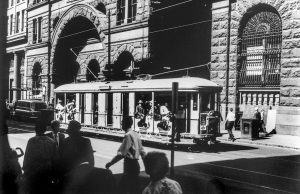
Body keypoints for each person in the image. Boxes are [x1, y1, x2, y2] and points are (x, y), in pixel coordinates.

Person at [105, 116, 146, 194]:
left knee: (123, 189)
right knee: (133, 188)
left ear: (125, 124)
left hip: (129, 165)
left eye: (122, 123)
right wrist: (147, 166)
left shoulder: (127, 135)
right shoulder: (135, 134)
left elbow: (122, 154)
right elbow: (142, 152)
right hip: (136, 166)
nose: (121, 124)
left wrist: (110, 163)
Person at [22, 121, 57, 194]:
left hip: (34, 172)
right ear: (45, 130)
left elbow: (27, 157)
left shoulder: (32, 141)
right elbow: (55, 159)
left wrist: (25, 170)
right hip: (47, 171)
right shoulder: (52, 142)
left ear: (36, 129)